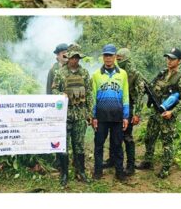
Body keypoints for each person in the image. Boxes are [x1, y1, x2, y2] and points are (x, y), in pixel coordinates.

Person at [137, 47, 181, 178]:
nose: (169, 61)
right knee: (149, 138)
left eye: (172, 59)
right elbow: (152, 86)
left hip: (167, 116)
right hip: (155, 112)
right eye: (168, 58)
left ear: (179, 61)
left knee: (167, 143)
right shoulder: (162, 73)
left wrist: (173, 112)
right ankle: (148, 161)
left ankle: (165, 168)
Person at [51, 45, 93, 186]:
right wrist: (59, 94)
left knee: (79, 145)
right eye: (73, 57)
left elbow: (89, 94)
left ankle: (80, 172)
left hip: (80, 115)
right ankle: (64, 174)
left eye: (77, 57)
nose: (75, 60)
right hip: (64, 115)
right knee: (63, 145)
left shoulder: (85, 73)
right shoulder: (60, 73)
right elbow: (54, 89)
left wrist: (89, 113)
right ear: (68, 57)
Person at [91, 44, 130, 181]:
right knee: (98, 145)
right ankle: (98, 171)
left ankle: (120, 172)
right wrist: (93, 116)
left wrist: (126, 116)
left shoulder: (122, 74)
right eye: (105, 55)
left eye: (111, 55)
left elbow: (125, 96)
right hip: (101, 116)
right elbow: (93, 97)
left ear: (115, 57)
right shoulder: (96, 75)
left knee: (117, 145)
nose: (108, 58)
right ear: (103, 57)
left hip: (117, 116)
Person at [112, 48, 144, 175]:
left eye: (119, 59)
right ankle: (113, 160)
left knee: (127, 136)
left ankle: (130, 165)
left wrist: (137, 113)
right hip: (114, 106)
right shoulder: (114, 71)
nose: (117, 61)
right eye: (117, 58)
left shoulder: (135, 74)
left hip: (128, 107)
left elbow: (141, 94)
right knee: (114, 134)